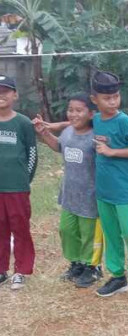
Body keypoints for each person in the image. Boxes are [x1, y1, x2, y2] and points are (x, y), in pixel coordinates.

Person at [90, 71, 128, 306]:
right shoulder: (95, 119)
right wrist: (50, 126)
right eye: (107, 98)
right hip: (104, 191)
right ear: (94, 99)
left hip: (124, 191)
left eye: (116, 97)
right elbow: (75, 121)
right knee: (111, 236)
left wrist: (112, 152)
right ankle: (117, 277)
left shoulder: (124, 121)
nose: (113, 102)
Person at [33, 94, 103, 288]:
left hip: (90, 195)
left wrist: (57, 124)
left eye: (79, 110)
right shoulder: (68, 132)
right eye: (70, 110)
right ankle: (76, 263)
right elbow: (59, 147)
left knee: (88, 233)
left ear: (91, 113)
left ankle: (92, 267)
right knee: (67, 230)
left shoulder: (96, 136)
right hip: (69, 194)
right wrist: (45, 133)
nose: (73, 114)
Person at [0, 75, 38, 290]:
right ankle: (1, 270)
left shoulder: (23, 123)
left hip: (17, 188)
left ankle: (21, 271)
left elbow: (32, 154)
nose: (1, 95)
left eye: (5, 91)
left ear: (15, 95)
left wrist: (25, 180)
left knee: (20, 229)